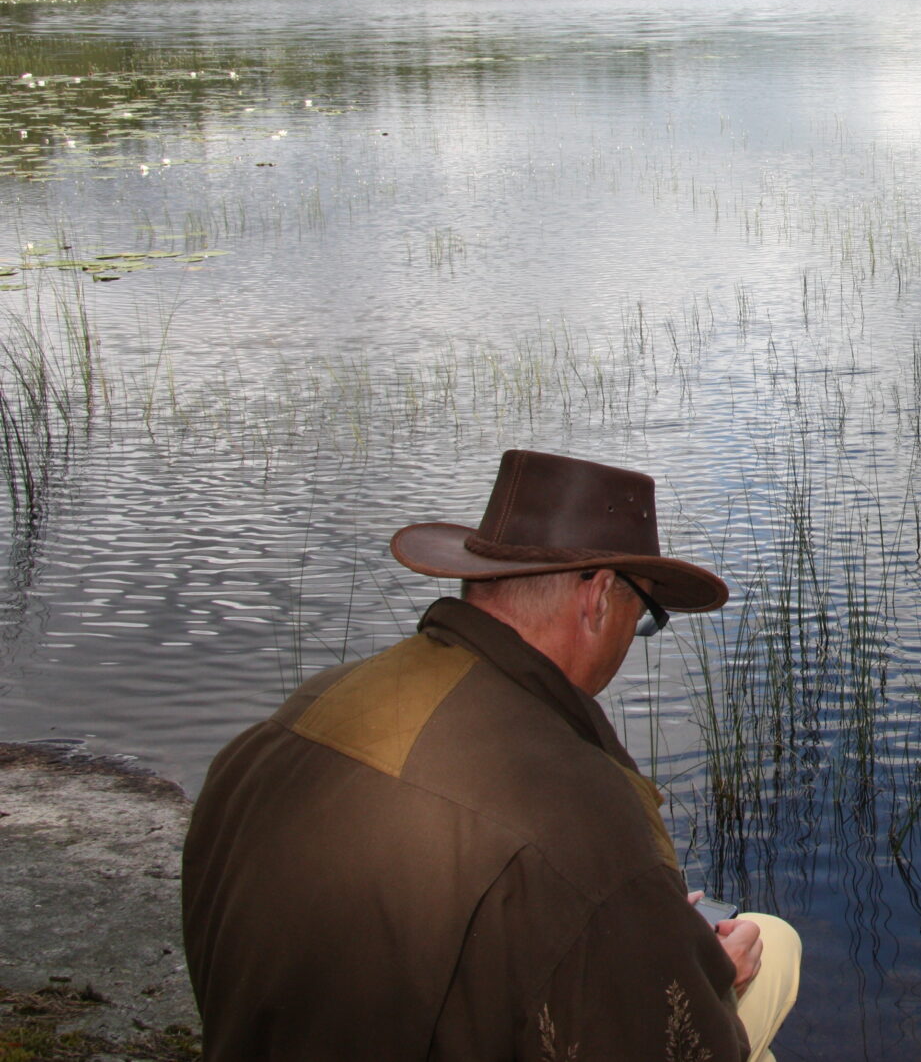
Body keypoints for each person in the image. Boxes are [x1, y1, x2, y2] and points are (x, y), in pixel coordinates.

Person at [182, 449, 800, 1061]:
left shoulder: (303, 711)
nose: (630, 643)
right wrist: (711, 976)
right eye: (643, 618)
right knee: (774, 947)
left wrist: (648, 931)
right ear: (599, 598)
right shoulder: (583, 808)